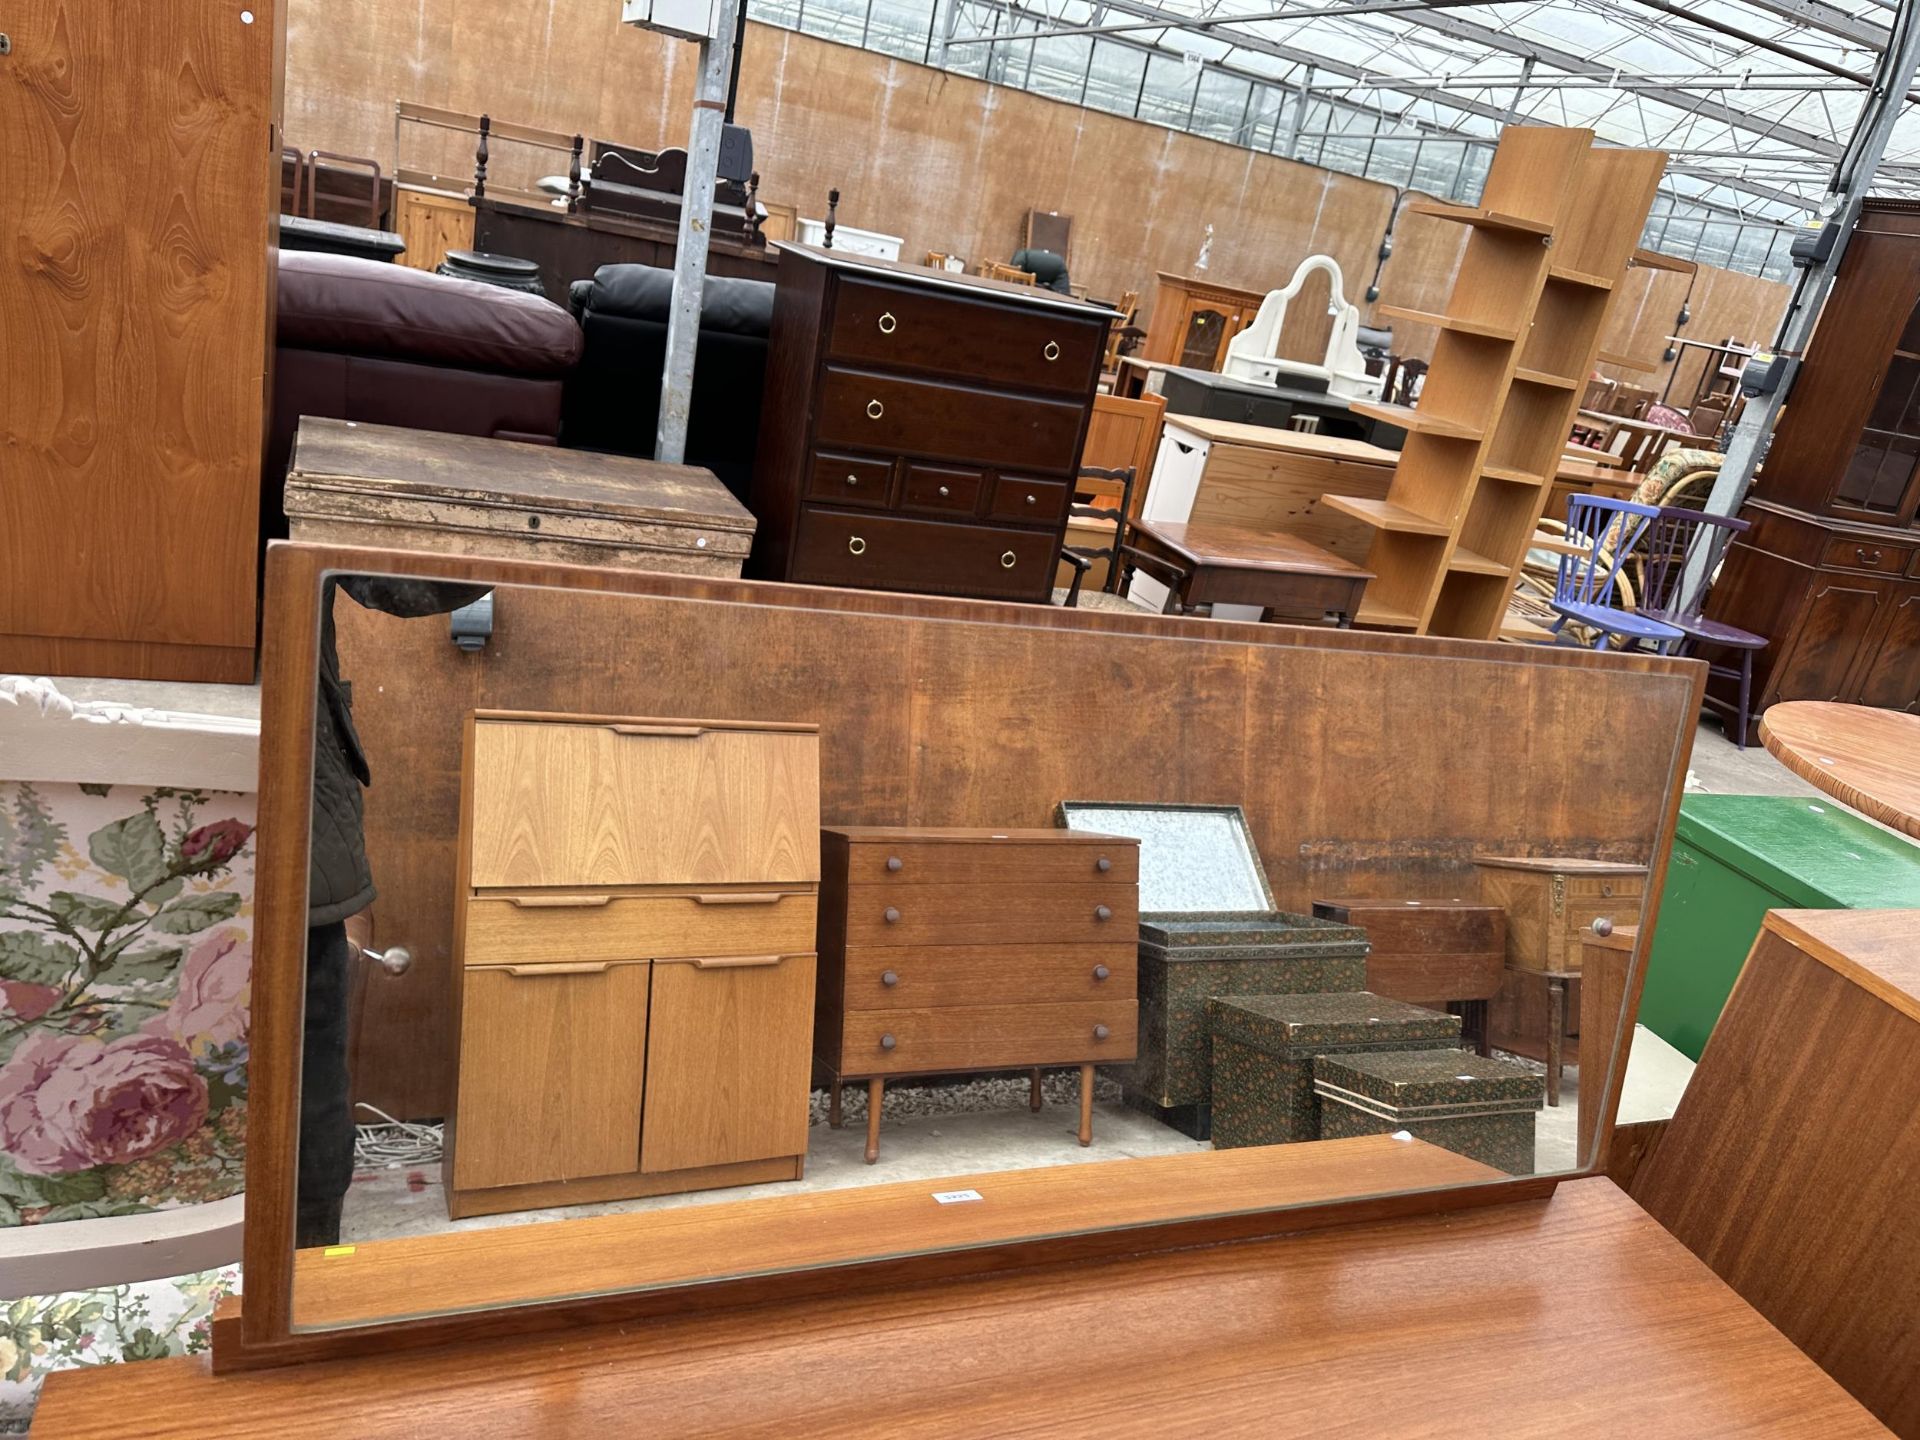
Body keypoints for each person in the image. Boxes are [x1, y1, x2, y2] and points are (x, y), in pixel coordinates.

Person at [298, 576, 487, 1248]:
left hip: (308, 829)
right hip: (238, 801)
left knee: (310, 1104)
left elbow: (399, 582)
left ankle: (304, 1291)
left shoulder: (306, 472)